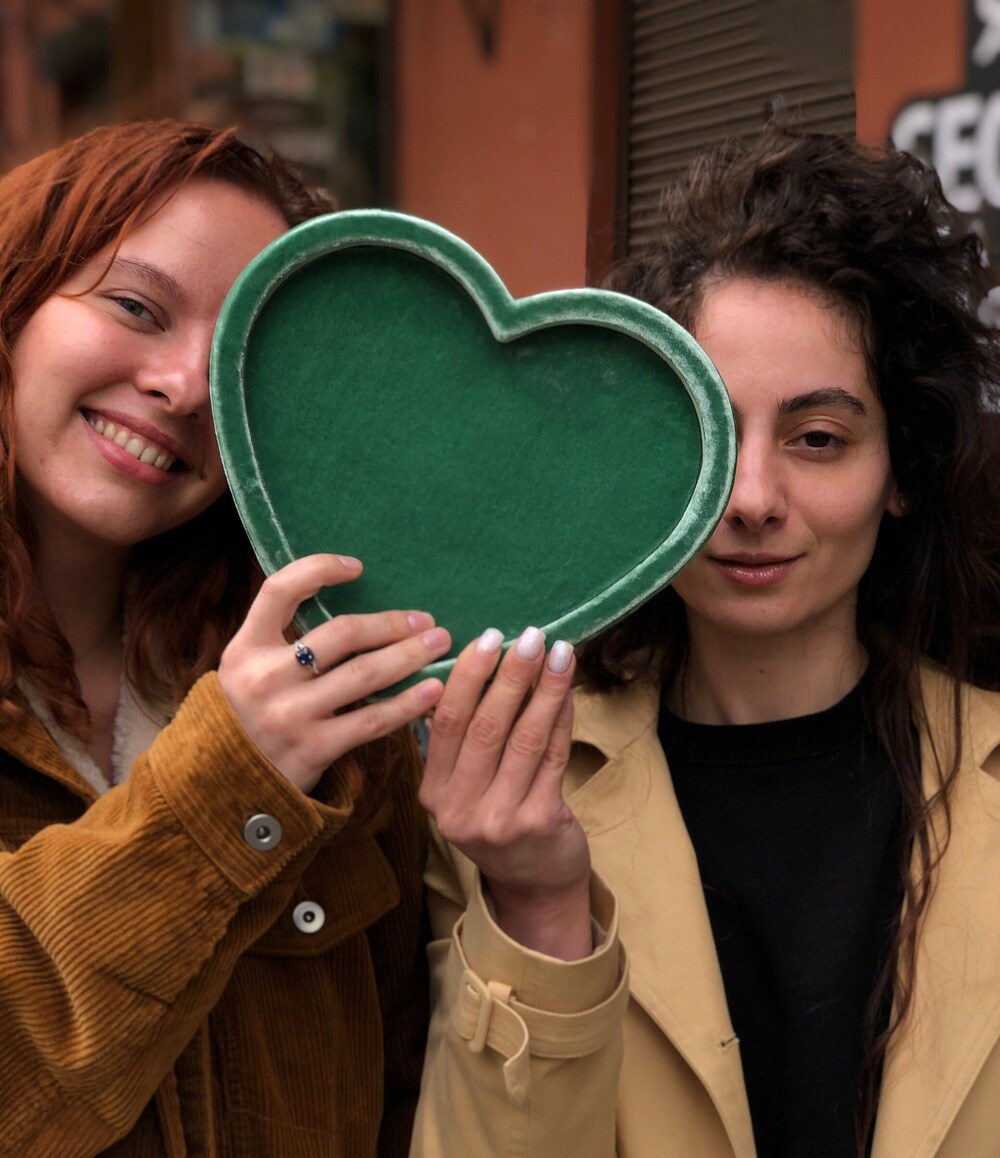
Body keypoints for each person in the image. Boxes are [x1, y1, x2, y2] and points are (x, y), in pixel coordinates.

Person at [412, 123, 1000, 1158]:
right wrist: (540, 908)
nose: (754, 499)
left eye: (819, 438)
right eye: (708, 436)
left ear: (901, 472)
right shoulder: (505, 791)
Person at [0, 119, 454, 1156]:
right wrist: (229, 784)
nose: (185, 385)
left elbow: (403, 1088)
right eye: (135, 306)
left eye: (245, 359)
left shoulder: (327, 691)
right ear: (9, 306)